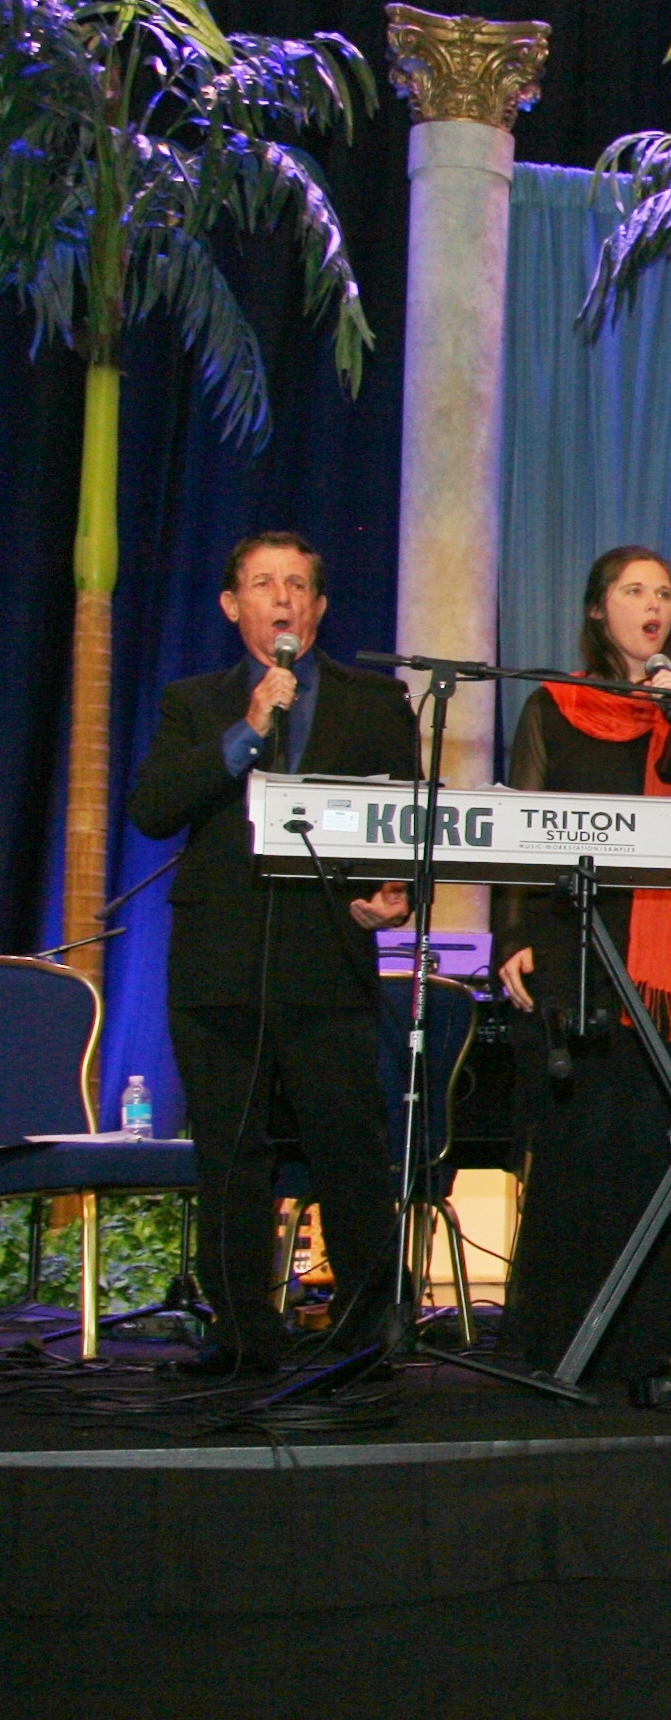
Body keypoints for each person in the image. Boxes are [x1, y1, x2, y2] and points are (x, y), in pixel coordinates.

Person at [123, 533, 419, 1377]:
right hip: (220, 963)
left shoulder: (374, 702)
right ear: (233, 605)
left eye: (297, 585)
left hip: (328, 959)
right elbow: (151, 807)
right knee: (231, 1153)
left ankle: (367, 1329)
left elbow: (402, 823)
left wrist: (394, 892)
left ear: (319, 610)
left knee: (348, 1148)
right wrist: (245, 732)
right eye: (263, 583)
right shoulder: (195, 701)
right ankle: (243, 1333)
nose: (281, 598)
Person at [492, 547, 671, 1386]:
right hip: (578, 955)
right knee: (584, 1146)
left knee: (667, 1143)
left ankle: (666, 1337)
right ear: (598, 610)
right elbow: (518, 835)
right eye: (634, 592)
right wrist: (513, 936)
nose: (653, 606)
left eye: (665, 593)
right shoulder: (555, 707)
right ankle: (572, 1343)